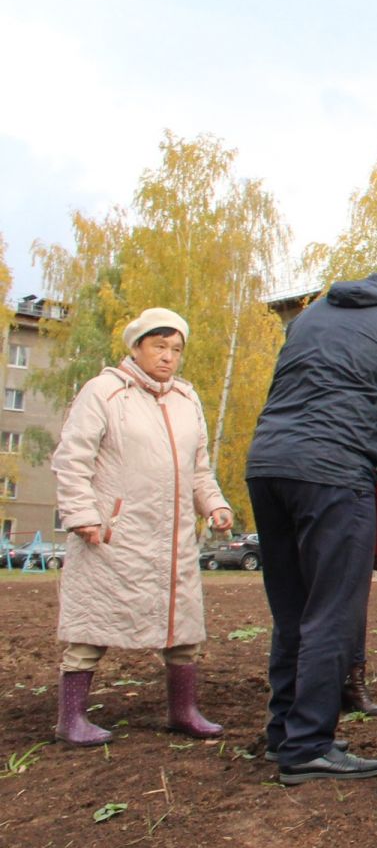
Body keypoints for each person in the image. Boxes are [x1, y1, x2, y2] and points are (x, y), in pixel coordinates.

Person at [246, 250, 377, 785]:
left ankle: (283, 733)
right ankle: (310, 746)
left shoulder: (311, 315)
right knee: (332, 611)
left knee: (293, 610)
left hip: (267, 466)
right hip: (332, 475)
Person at [49, 308, 234, 745]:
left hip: (173, 539)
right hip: (113, 536)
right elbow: (71, 459)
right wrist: (82, 517)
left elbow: (199, 469)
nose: (168, 357)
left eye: (176, 349)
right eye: (159, 346)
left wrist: (214, 505)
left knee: (182, 627)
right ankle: (70, 719)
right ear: (136, 346)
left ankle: (183, 711)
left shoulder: (187, 400)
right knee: (91, 625)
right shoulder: (105, 392)